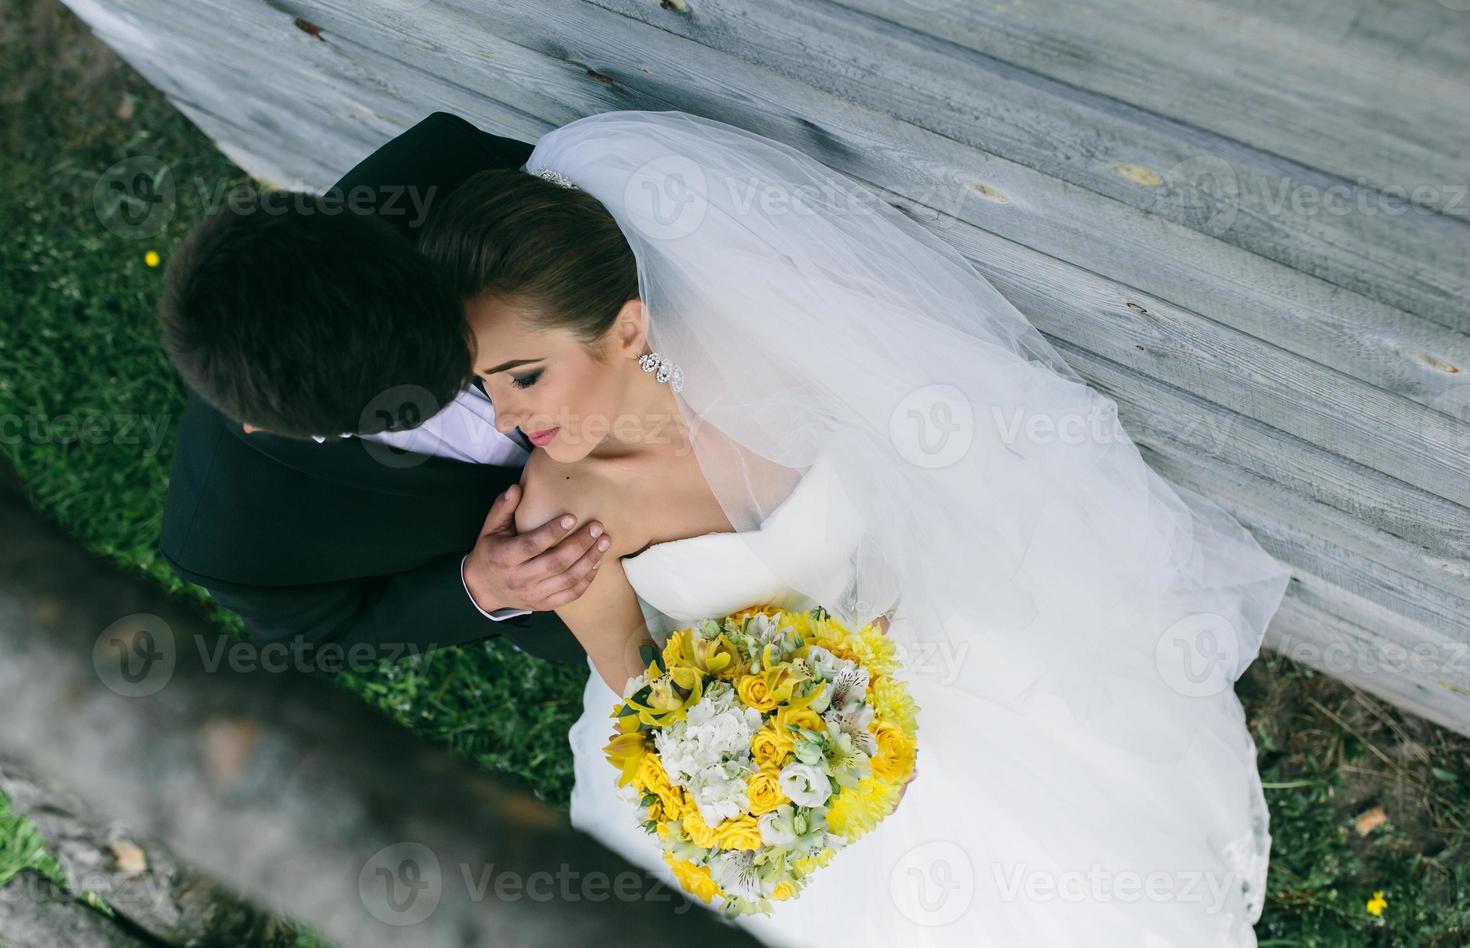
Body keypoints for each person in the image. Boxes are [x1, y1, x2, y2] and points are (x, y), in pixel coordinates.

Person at [415, 110, 1293, 945]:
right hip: (763, 756)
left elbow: (930, 481)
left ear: (626, 328)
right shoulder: (561, 509)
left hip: (932, 641)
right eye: (485, 385)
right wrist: (811, 759)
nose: (501, 418)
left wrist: (894, 658)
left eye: (523, 376)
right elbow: (643, 690)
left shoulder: (778, 357)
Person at [156, 113, 607, 666]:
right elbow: (324, 641)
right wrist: (485, 587)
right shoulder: (226, 543)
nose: (500, 409)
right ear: (267, 427)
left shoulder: (442, 173)